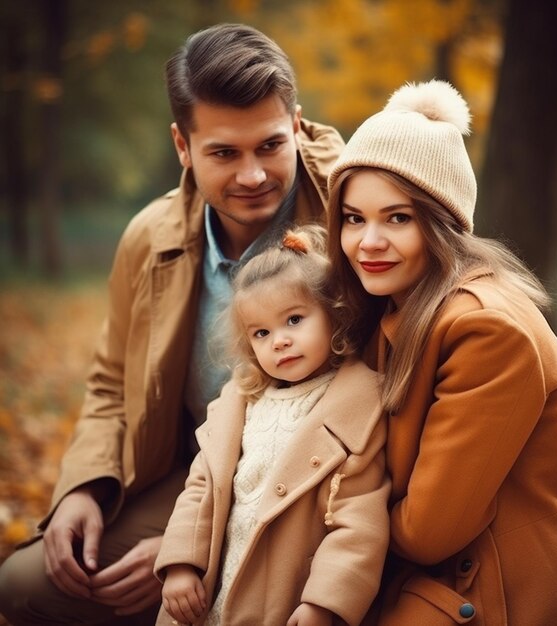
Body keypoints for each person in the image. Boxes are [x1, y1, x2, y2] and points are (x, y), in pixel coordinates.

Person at [0, 23, 345, 626]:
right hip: (195, 476)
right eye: (223, 153)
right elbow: (110, 384)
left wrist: (189, 550)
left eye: (268, 145)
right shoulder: (148, 237)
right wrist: (84, 487)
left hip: (328, 488)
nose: (253, 175)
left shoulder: (356, 215)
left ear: (295, 125)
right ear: (182, 147)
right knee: (24, 585)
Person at [326, 80, 557, 625]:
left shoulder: (485, 329)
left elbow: (430, 531)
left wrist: (333, 511)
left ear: (443, 224)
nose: (368, 242)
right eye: (354, 219)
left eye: (398, 218)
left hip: (497, 595)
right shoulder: (393, 304)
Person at [154, 225, 389, 626]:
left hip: (282, 598)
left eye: (294, 320)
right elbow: (200, 489)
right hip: (210, 587)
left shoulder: (356, 409)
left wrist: (323, 604)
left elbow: (358, 524)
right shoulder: (240, 403)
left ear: (335, 315)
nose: (278, 341)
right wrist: (180, 562)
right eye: (261, 332)